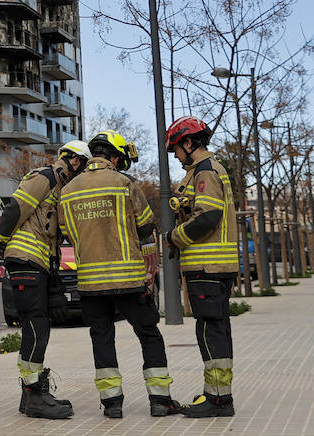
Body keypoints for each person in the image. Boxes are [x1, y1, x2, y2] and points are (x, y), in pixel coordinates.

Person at [59, 131, 182, 418]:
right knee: (149, 334)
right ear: (114, 156)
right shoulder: (124, 183)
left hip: (90, 282)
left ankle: (112, 403)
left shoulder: (69, 191)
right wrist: (150, 268)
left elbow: (67, 233)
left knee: (101, 337)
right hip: (129, 278)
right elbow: (144, 228)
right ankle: (160, 400)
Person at [0, 139, 91, 419]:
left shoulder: (60, 188)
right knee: (35, 326)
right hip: (25, 261)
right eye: (84, 166)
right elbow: (15, 209)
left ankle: (30, 395)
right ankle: (34, 395)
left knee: (40, 325)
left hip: (38, 265)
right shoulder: (44, 177)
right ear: (75, 161)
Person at [166, 116, 239, 418]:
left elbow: (208, 217)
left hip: (208, 266)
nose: (175, 156)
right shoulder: (202, 171)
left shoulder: (205, 173)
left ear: (187, 143)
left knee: (211, 332)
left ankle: (219, 401)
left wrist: (175, 237)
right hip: (212, 267)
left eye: (176, 150)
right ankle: (216, 394)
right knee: (214, 329)